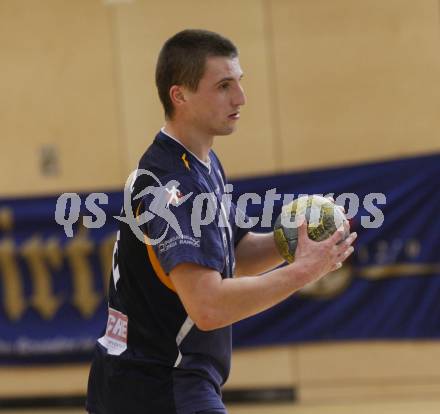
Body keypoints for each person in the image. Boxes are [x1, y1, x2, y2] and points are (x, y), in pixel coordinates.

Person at [86, 29, 356, 414]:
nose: (241, 98)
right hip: (159, 385)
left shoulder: (199, 165)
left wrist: (297, 241)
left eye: (239, 83)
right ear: (180, 95)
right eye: (224, 86)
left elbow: (234, 255)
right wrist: (304, 273)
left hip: (149, 381)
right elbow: (208, 306)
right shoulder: (172, 185)